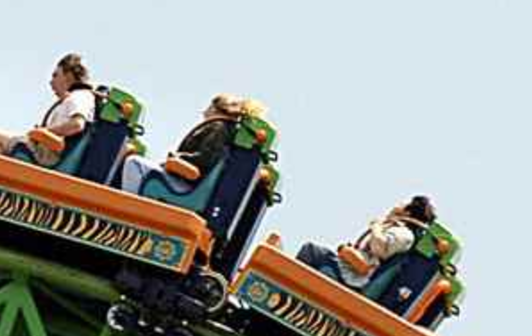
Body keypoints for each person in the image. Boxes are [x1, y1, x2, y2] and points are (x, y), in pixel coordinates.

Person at [115, 94, 265, 195]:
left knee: (134, 162)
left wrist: (177, 157)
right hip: (185, 180)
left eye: (208, 108)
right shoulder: (224, 129)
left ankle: (130, 204)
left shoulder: (218, 128)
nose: (204, 112)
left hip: (185, 184)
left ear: (217, 109)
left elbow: (205, 159)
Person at [298, 196, 437, 289]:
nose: (398, 204)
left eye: (404, 203)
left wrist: (376, 226)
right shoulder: (394, 227)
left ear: (408, 212)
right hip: (349, 266)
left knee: (311, 251)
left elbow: (380, 249)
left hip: (352, 275)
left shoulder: (405, 234)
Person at [0, 53, 98, 166]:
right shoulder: (73, 98)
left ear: (68, 76)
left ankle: (5, 175)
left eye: (56, 75)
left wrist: (45, 131)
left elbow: (77, 125)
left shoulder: (79, 96)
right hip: (46, 149)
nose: (51, 81)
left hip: (47, 154)